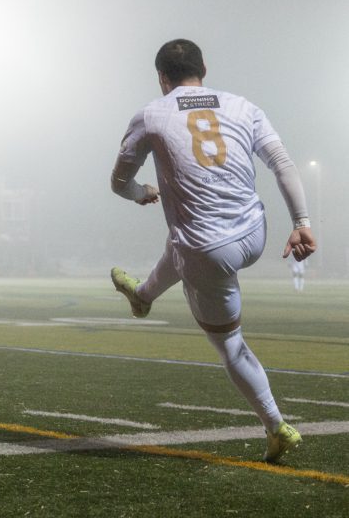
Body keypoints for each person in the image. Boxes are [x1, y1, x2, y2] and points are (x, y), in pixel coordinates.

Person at [109, 38, 316, 464]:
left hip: (207, 250)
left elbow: (118, 182)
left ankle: (277, 426)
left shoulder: (152, 113)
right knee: (181, 235)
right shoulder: (242, 106)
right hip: (255, 233)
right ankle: (143, 296)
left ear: (162, 78)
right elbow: (283, 163)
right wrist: (301, 224)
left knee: (231, 344)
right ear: (204, 68)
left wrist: (143, 192)